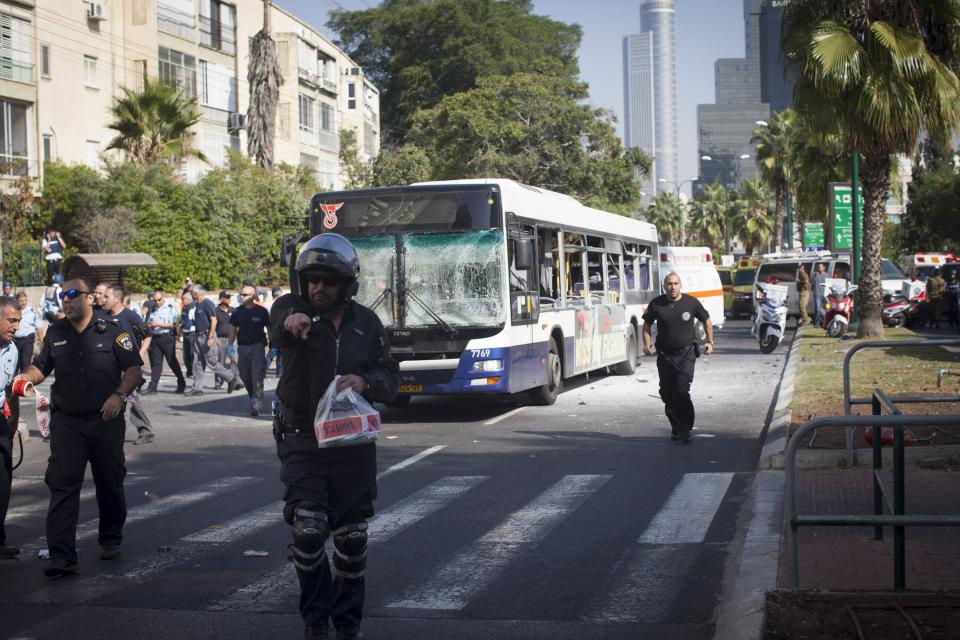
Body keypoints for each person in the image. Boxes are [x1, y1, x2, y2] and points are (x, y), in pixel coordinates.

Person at [270, 233, 399, 640]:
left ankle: (347, 624)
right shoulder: (290, 311)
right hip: (302, 440)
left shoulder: (367, 324)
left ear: (346, 284)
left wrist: (366, 381)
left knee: (352, 540)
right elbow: (281, 325)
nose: (318, 289)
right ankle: (315, 619)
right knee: (307, 529)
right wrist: (293, 321)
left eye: (327, 281)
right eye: (312, 280)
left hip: (353, 444)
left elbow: (391, 377)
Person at [13, 277, 143, 577]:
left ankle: (110, 536)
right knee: (62, 484)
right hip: (67, 422)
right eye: (62, 295)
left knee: (109, 482)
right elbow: (41, 367)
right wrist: (25, 378)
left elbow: (134, 369)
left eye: (72, 294)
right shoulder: (56, 331)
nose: (66, 300)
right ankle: (62, 556)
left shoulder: (113, 328)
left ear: (88, 298)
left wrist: (119, 396)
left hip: (105, 421)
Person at [641, 272, 714, 444]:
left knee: (682, 390)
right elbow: (646, 325)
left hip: (686, 354)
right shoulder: (657, 304)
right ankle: (675, 426)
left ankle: (686, 428)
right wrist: (647, 343)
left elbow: (707, 320)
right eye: (669, 284)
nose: (672, 287)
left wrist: (710, 342)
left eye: (675, 284)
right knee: (667, 394)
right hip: (665, 356)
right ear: (664, 286)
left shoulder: (691, 302)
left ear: (680, 285)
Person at [105, 285, 154, 445]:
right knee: (129, 397)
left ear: (117, 299)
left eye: (107, 297)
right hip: (113, 365)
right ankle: (145, 430)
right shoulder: (105, 316)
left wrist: (140, 354)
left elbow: (147, 336)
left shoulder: (131, 316)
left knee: (128, 396)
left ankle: (119, 433)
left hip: (129, 366)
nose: (104, 300)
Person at [185, 286, 240, 397]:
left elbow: (213, 320)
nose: (191, 295)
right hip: (198, 336)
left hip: (206, 336)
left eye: (192, 293)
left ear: (197, 293)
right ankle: (197, 388)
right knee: (197, 363)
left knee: (212, 362)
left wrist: (210, 337)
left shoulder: (207, 303)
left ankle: (231, 378)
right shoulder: (197, 304)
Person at [0, 297, 22, 559]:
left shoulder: (12, 350)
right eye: (11, 320)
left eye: (18, 320)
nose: (16, 326)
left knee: (3, 481)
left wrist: (13, 422)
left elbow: (11, 390)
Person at [229, 285, 270, 416]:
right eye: (241, 294)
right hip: (242, 347)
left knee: (257, 375)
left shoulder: (262, 311)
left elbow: (269, 328)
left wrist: (273, 343)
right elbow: (233, 328)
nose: (241, 297)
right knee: (244, 375)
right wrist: (230, 345)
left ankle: (257, 403)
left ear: (253, 296)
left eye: (245, 294)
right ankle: (254, 396)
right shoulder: (237, 312)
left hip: (257, 346)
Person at [144, 290, 186, 394]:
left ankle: (181, 383)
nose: (157, 302)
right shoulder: (153, 308)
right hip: (155, 337)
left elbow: (173, 325)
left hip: (166, 338)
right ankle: (153, 387)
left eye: (159, 300)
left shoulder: (170, 308)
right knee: (156, 363)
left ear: (163, 299)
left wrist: (158, 325)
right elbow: (148, 321)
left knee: (172, 361)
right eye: (155, 300)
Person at [13, 292, 43, 375]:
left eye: (25, 300)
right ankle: (12, 385)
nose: (23, 302)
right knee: (14, 365)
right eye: (21, 301)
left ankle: (24, 385)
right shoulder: (13, 311)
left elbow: (39, 327)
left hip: (27, 340)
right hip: (15, 341)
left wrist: (42, 342)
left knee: (25, 363)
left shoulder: (32, 311)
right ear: (16, 301)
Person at [213, 291, 236, 390]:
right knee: (220, 362)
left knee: (234, 361)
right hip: (221, 340)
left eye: (229, 297)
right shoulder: (215, 311)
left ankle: (234, 381)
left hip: (233, 340)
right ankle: (218, 382)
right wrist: (215, 338)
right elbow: (212, 326)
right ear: (221, 299)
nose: (229, 299)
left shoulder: (234, 310)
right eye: (227, 297)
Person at [179, 292, 197, 376]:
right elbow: (182, 320)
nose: (182, 301)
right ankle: (189, 371)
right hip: (185, 333)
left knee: (191, 353)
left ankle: (193, 371)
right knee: (186, 354)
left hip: (192, 333)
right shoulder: (185, 308)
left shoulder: (193, 307)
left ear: (188, 299)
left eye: (183, 299)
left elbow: (194, 321)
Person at [812, 263, 828, 328]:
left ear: (824, 268)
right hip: (817, 294)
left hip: (825, 295)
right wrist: (814, 276)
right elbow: (810, 282)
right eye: (818, 267)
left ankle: (825, 322)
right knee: (818, 309)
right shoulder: (814, 274)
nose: (819, 268)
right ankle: (816, 323)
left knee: (827, 309)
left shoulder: (826, 275)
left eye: (821, 267)